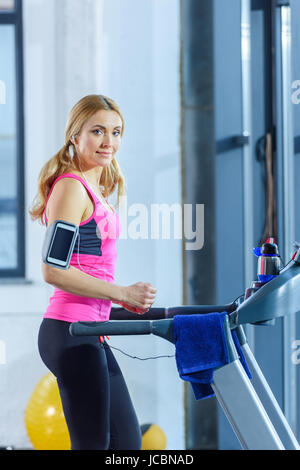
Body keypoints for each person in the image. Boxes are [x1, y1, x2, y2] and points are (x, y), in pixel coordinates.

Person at [29, 94, 157, 450]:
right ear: (75, 135)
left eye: (116, 132)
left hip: (91, 331)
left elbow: (88, 268)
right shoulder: (71, 187)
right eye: (98, 131)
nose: (108, 142)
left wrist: (118, 304)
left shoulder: (95, 190)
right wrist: (122, 293)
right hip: (69, 332)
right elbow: (53, 270)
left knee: (127, 442)